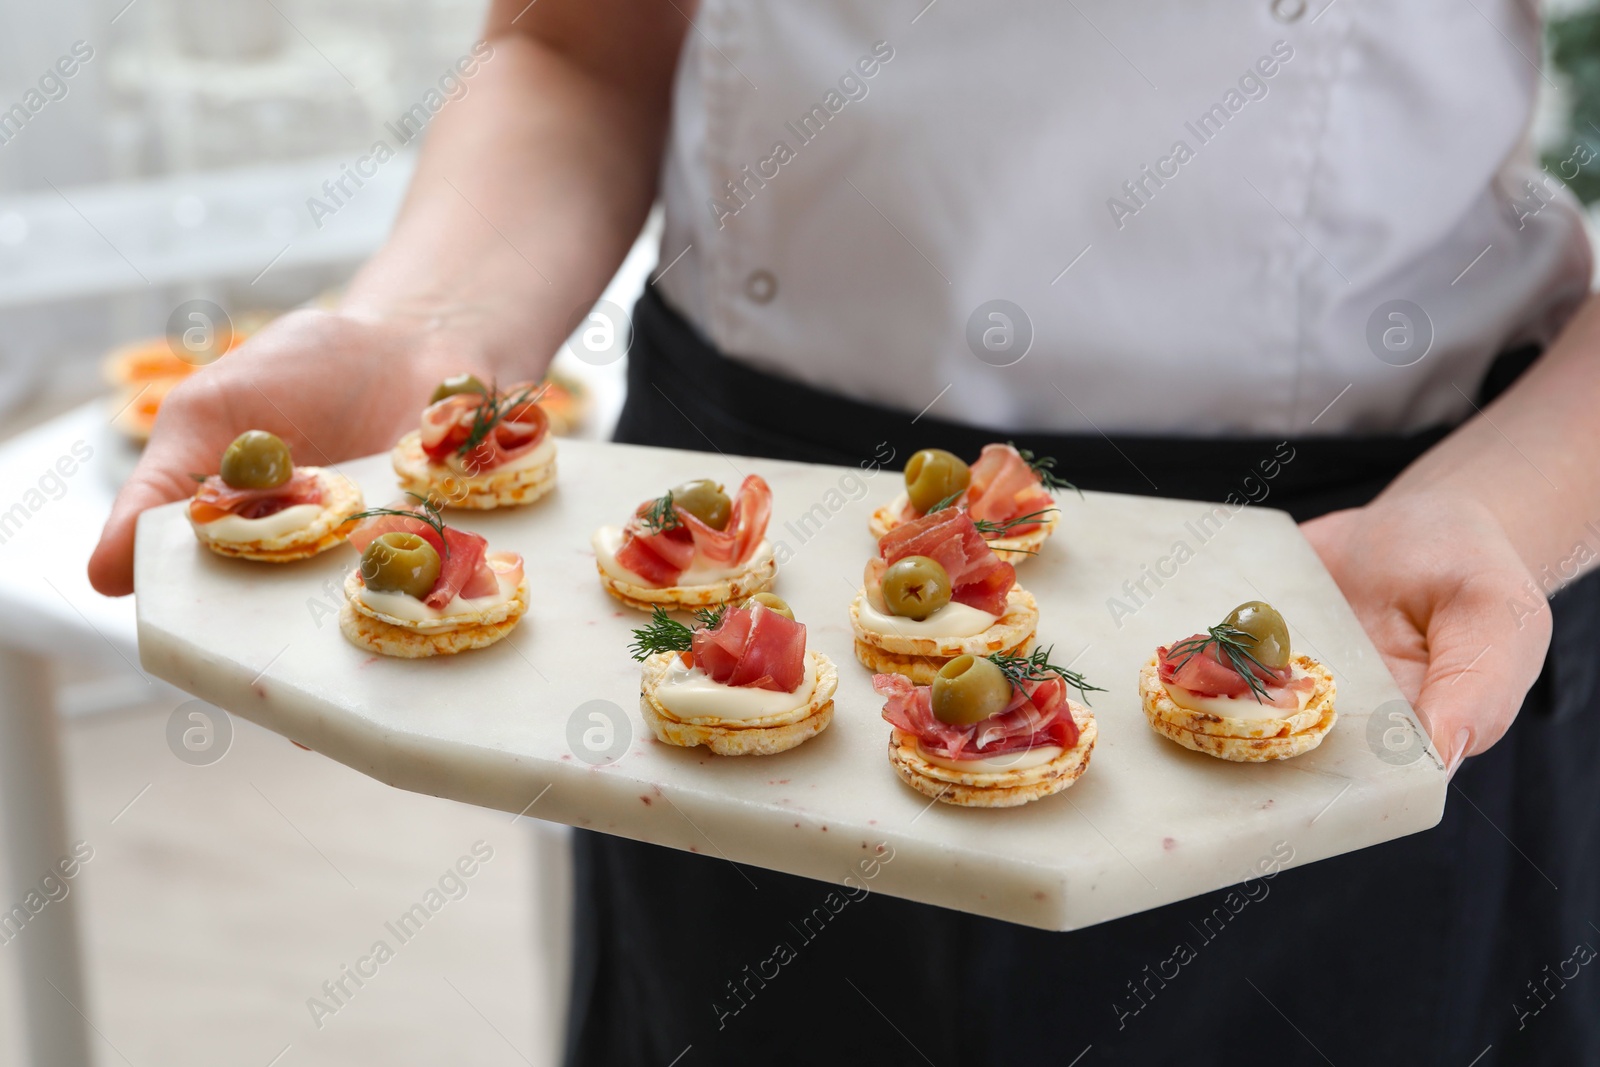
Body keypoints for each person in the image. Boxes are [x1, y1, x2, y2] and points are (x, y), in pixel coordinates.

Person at [89, 2, 1600, 1063]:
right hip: (754, 518)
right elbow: (581, 40)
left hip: (1375, 566)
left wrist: (1494, 512)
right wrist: (418, 330)